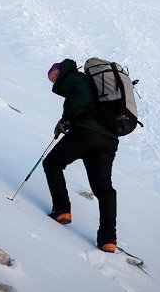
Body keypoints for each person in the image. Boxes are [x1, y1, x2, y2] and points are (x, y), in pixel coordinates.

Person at [42, 58, 119, 253]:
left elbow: (79, 96)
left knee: (52, 163)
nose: (53, 79)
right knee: (104, 190)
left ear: (61, 70)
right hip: (108, 139)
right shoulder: (85, 81)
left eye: (53, 74)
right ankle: (108, 240)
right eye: (51, 79)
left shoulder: (72, 77)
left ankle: (62, 210)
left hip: (86, 133)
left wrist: (65, 120)